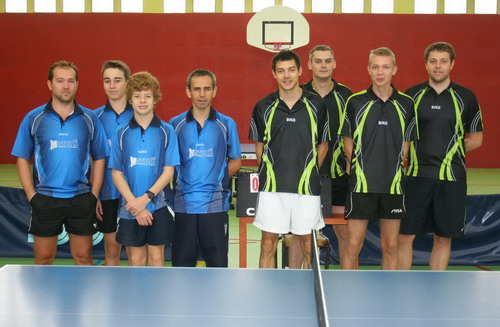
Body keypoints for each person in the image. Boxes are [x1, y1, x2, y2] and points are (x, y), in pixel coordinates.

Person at [11, 61, 109, 265]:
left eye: (70, 81)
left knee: (84, 259)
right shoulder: (34, 118)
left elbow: (99, 157)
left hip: (81, 199)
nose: (66, 86)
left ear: (76, 84)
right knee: (44, 259)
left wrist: (94, 194)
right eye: (60, 81)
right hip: (45, 199)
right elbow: (22, 157)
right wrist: (31, 195)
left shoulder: (89, 118)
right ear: (50, 84)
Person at [398, 42, 484, 270]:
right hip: (416, 178)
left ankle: (437, 290)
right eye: (433, 61)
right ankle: (399, 289)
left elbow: (476, 139)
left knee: (443, 238)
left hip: (452, 179)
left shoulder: (466, 97)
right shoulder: (411, 96)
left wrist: (450, 152)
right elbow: (403, 138)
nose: (438, 66)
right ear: (425, 64)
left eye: (443, 61)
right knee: (404, 237)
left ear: (452, 64)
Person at [249, 50, 329, 269]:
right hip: (273, 188)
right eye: (281, 71)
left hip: (307, 189)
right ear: (274, 74)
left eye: (291, 70)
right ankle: (266, 291)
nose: (286, 76)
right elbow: (260, 147)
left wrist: (310, 173)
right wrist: (271, 172)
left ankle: (309, 291)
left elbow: (323, 144)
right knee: (268, 245)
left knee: (307, 245)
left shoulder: (317, 105)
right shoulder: (263, 106)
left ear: (301, 71)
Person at [339, 48, 417, 270]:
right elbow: (347, 142)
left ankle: (388, 297)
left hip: (393, 186)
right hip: (362, 184)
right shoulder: (355, 102)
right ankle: (348, 293)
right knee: (353, 245)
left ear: (394, 70)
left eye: (385, 67)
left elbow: (407, 144)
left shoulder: (407, 103)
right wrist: (358, 168)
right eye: (375, 67)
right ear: (369, 70)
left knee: (391, 245)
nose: (380, 72)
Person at [287, 45, 353, 268]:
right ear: (309, 65)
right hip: (305, 176)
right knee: (298, 233)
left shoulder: (348, 96)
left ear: (334, 64)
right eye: (318, 61)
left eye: (327, 61)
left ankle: (349, 282)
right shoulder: (298, 93)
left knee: (344, 231)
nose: (323, 65)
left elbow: (355, 134)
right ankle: (293, 280)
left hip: (339, 176)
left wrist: (351, 165)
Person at [170, 69, 241, 268]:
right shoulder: (175, 125)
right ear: (188, 92)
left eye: (207, 89)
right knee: (182, 265)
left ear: (215, 91)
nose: (202, 94)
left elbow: (236, 161)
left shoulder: (227, 124)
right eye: (197, 89)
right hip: (183, 205)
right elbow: (170, 164)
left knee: (217, 264)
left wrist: (215, 180)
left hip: (216, 205)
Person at [109, 72, 179, 266]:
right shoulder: (120, 133)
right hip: (129, 208)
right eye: (138, 96)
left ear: (155, 100)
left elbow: (168, 172)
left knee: (157, 260)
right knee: (136, 260)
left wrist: (145, 199)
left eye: (147, 96)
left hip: (159, 205)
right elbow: (116, 173)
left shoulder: (167, 131)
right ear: (130, 99)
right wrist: (135, 206)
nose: (142, 101)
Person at [94, 60, 134, 266]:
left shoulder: (140, 114)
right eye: (107, 80)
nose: (112, 85)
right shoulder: (94, 117)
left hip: (136, 195)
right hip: (108, 195)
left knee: (139, 253)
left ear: (127, 82)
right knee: (112, 251)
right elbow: (91, 159)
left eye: (117, 80)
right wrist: (95, 194)